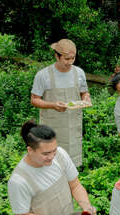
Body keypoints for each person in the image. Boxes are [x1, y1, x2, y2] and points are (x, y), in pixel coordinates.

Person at [31, 39, 91, 167]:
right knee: (51, 160)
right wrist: (53, 105)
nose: (70, 62)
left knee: (72, 163)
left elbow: (84, 92)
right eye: (66, 59)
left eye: (73, 58)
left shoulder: (79, 73)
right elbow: (34, 99)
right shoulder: (43, 75)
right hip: (52, 126)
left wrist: (86, 98)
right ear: (56, 56)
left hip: (73, 125)